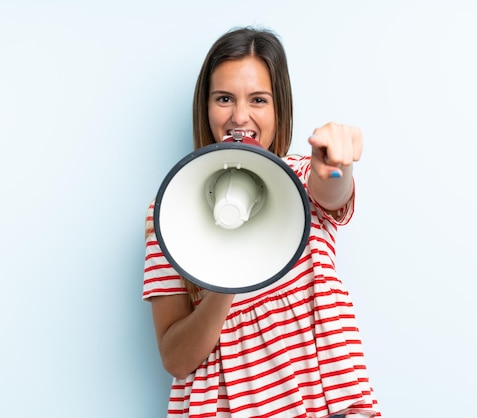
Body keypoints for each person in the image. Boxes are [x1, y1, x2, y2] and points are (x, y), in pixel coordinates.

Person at [143, 26, 381, 418]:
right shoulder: (169, 212)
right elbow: (175, 358)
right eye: (224, 98)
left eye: (258, 99)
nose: (240, 116)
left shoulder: (305, 178)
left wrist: (339, 165)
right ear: (205, 107)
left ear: (278, 108)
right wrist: (231, 272)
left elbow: (333, 190)